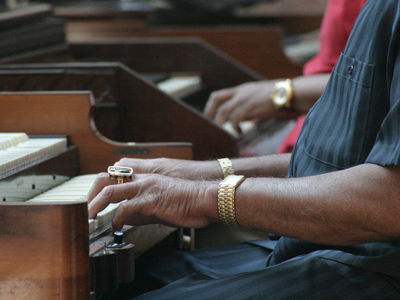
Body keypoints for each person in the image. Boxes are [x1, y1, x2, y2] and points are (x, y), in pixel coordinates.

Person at [87, 0, 400, 298]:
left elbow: (390, 201)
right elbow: (349, 162)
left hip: (374, 264)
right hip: (330, 247)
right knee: (123, 283)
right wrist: (204, 173)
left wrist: (199, 196)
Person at [204, 0, 366, 155]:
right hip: (315, 129)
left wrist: (282, 94)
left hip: (342, 145)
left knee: (209, 172)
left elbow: (374, 85)